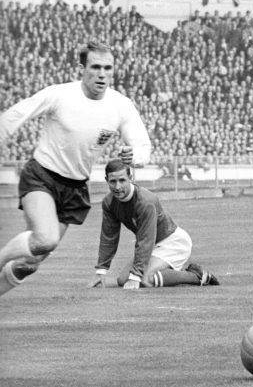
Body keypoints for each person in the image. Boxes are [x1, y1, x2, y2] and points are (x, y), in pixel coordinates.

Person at [0, 42, 152, 297]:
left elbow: (142, 146)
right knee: (45, 239)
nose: (102, 73)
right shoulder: (60, 95)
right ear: (82, 68)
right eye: (95, 67)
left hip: (75, 188)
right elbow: (16, 114)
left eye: (108, 68)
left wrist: (135, 155)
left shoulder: (121, 105)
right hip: (42, 175)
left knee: (30, 264)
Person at [89, 159, 218, 289]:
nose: (117, 187)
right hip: (153, 245)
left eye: (122, 180)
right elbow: (109, 237)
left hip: (173, 243)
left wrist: (136, 276)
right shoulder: (109, 202)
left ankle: (197, 276)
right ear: (106, 180)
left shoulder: (145, 201)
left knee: (145, 280)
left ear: (130, 178)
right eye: (113, 181)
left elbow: (146, 239)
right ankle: (171, 275)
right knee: (123, 280)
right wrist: (101, 271)